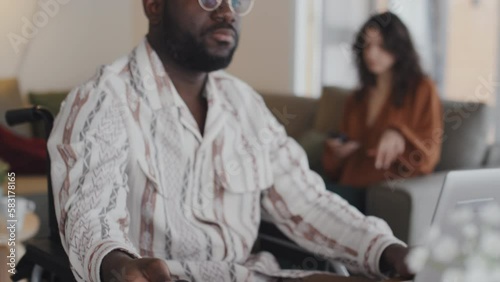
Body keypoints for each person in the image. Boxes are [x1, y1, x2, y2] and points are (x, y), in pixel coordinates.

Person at [48, 2, 413, 281]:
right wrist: (118, 266)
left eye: (238, 0)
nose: (227, 12)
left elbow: (309, 204)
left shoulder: (245, 104)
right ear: (155, 5)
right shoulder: (103, 98)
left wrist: (385, 249)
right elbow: (91, 218)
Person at [322, 12, 443, 212]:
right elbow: (334, 167)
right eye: (367, 45)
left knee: (306, 200)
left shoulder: (422, 89)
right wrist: (338, 151)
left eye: (380, 45)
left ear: (398, 47)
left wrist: (399, 134)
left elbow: (428, 158)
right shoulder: (357, 98)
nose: (371, 54)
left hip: (384, 191)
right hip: (350, 182)